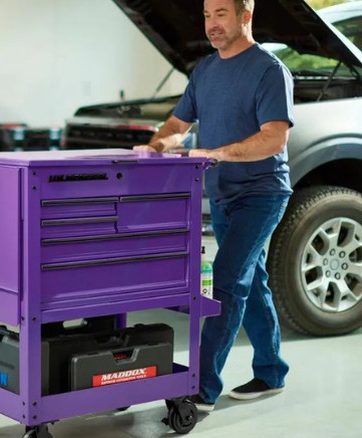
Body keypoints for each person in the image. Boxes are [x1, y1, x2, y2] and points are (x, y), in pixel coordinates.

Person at [134, 0, 294, 412]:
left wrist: (215, 153)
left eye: (221, 13)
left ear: (246, 15)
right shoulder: (204, 71)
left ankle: (200, 389)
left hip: (262, 194)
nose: (211, 24)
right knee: (250, 280)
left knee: (225, 283)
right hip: (222, 195)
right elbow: (176, 126)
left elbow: (274, 138)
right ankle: (272, 370)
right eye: (206, 15)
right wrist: (154, 148)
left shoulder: (269, 70)